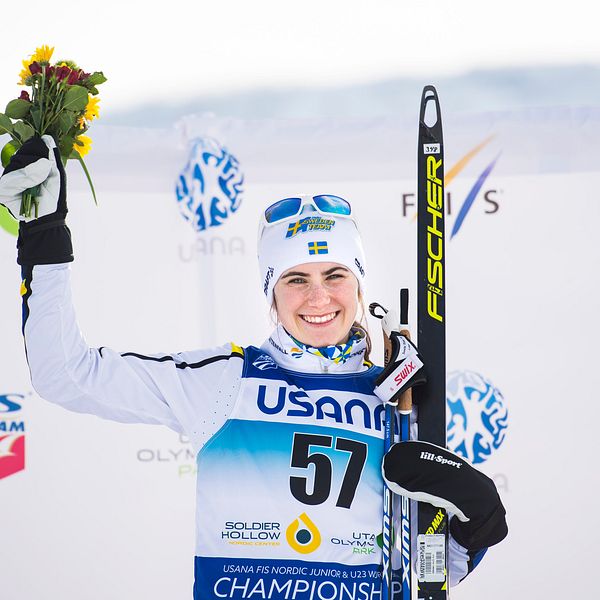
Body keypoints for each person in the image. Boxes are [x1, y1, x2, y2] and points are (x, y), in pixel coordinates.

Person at [0, 136, 507, 599]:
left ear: (359, 286)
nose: (318, 297)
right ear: (271, 294)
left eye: (335, 274)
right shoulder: (225, 382)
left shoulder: (398, 404)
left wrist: (474, 520)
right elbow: (65, 374)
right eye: (295, 279)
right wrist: (45, 238)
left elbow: (433, 573)